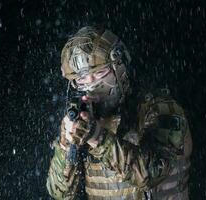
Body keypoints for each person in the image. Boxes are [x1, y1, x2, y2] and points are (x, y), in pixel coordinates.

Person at [46, 26, 193, 200]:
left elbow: (151, 174)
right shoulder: (83, 119)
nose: (92, 84)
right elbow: (60, 193)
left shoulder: (159, 108)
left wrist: (97, 136)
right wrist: (67, 143)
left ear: (119, 68)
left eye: (100, 72)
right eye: (82, 78)